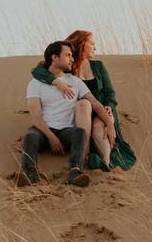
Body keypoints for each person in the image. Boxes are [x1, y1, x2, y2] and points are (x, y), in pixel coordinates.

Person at [31, 30, 136, 171]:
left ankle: (106, 164)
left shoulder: (98, 66)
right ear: (82, 44)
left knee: (99, 126)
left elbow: (109, 92)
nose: (95, 47)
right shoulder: (67, 66)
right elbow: (38, 72)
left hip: (101, 109)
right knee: (84, 105)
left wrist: (109, 106)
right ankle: (84, 154)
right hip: (79, 112)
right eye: (92, 43)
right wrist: (57, 82)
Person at [18, 40, 115, 187]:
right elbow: (36, 117)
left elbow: (94, 103)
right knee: (30, 136)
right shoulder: (35, 84)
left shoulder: (75, 82)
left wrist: (109, 123)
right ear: (55, 57)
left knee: (80, 133)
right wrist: (51, 137)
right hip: (44, 131)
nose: (72, 59)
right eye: (68, 55)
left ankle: (75, 172)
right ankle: (29, 174)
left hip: (66, 131)